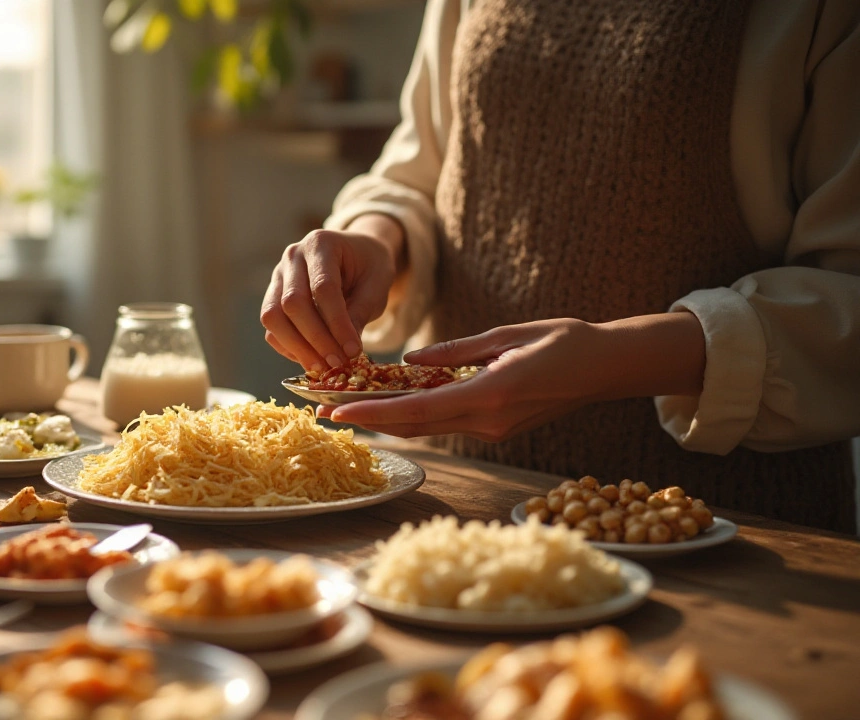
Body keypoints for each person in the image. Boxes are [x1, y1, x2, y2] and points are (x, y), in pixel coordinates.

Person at [260, 0, 860, 533]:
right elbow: (425, 165)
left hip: (714, 522)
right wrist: (373, 237)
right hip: (456, 499)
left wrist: (611, 362)